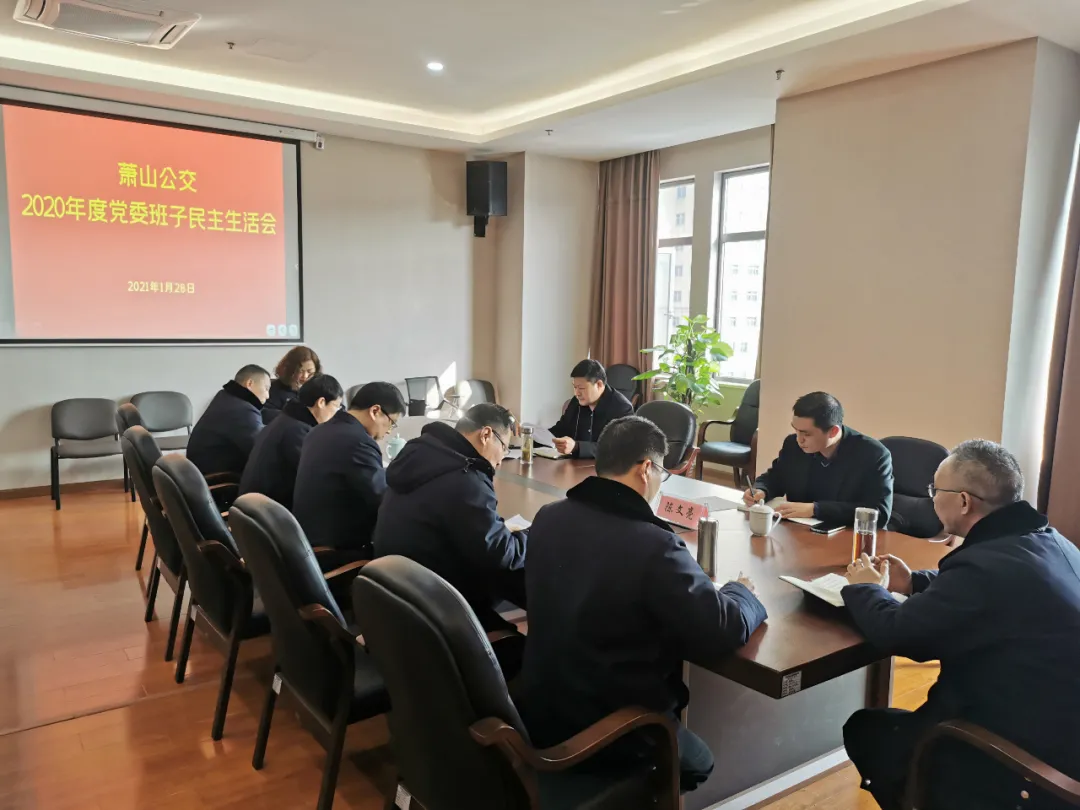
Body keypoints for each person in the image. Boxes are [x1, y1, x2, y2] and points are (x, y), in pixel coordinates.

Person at [518, 415, 767, 794]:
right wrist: (741, 592)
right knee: (698, 762)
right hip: (612, 725)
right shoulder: (654, 544)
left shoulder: (549, 516)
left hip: (540, 706)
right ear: (646, 468)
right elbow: (722, 629)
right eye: (662, 473)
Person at [841, 440, 1080, 810]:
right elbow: (994, 589)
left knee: (868, 732)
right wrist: (914, 582)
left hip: (1021, 759)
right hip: (1061, 732)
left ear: (964, 501)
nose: (932, 498)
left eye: (935, 490)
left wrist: (865, 588)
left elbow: (898, 633)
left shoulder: (984, 567)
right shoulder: (1050, 542)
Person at [373, 403, 527, 632]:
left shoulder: (422, 455)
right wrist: (532, 534)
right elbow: (502, 554)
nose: (501, 459)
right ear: (486, 435)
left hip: (398, 596)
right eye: (504, 447)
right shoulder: (465, 478)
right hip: (439, 613)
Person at [292, 382, 405, 563]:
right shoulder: (359, 442)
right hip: (334, 553)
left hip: (307, 541)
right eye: (391, 423)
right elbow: (382, 498)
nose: (389, 431)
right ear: (375, 411)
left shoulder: (319, 430)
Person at [744, 392, 893, 526]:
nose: (799, 439)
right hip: (799, 532)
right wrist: (761, 490)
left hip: (848, 536)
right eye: (796, 430)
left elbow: (879, 512)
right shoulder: (793, 445)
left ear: (833, 431)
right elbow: (776, 477)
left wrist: (816, 509)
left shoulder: (873, 454)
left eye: (806, 434)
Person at [239, 374, 343, 510]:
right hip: (268, 512)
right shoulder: (297, 432)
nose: (337, 413)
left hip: (259, 506)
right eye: (336, 406)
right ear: (321, 402)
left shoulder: (289, 419)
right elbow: (316, 478)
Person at [187, 365, 270, 479]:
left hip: (200, 471)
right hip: (217, 479)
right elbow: (260, 450)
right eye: (266, 388)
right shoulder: (242, 410)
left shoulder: (226, 396)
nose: (267, 395)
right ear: (250, 383)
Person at [548, 359, 634, 459]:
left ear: (599, 385)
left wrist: (576, 447)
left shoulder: (622, 407)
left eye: (581, 388)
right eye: (575, 387)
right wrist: (536, 437)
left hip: (605, 466)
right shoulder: (576, 402)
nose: (576, 393)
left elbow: (617, 447)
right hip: (573, 463)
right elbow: (561, 428)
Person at [263, 346, 321, 424]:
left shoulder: (318, 388)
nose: (305, 376)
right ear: (290, 370)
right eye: (300, 371)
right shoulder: (274, 389)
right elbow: (265, 414)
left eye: (310, 371)